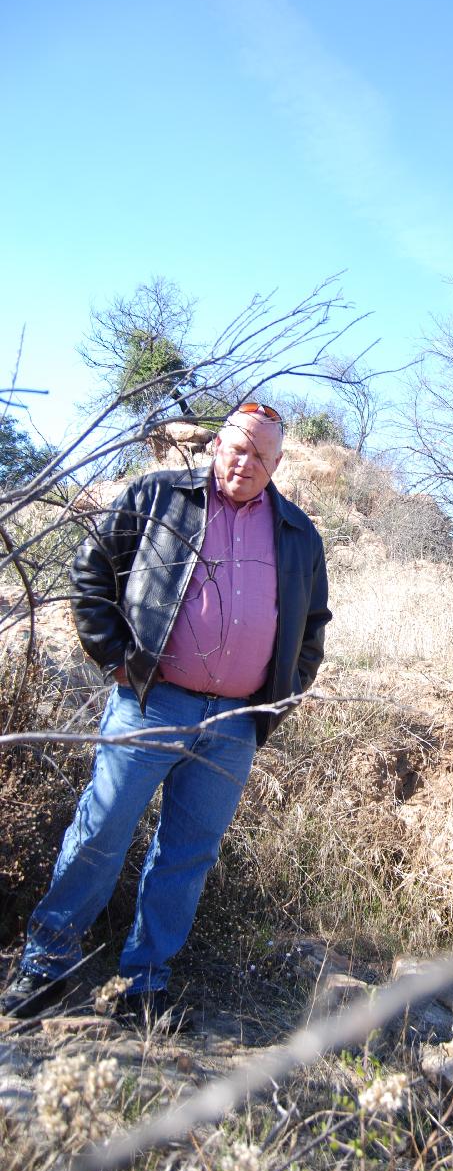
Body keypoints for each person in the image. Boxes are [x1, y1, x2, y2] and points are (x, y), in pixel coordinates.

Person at [1, 403, 331, 1023]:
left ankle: (144, 982)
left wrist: (279, 697)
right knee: (101, 831)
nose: (246, 462)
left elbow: (312, 626)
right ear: (217, 445)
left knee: (187, 853)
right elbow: (91, 570)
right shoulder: (158, 496)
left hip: (233, 722)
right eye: (238, 447)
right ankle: (44, 967)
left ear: (278, 462)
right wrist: (115, 657)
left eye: (261, 454)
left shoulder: (297, 533)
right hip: (151, 700)